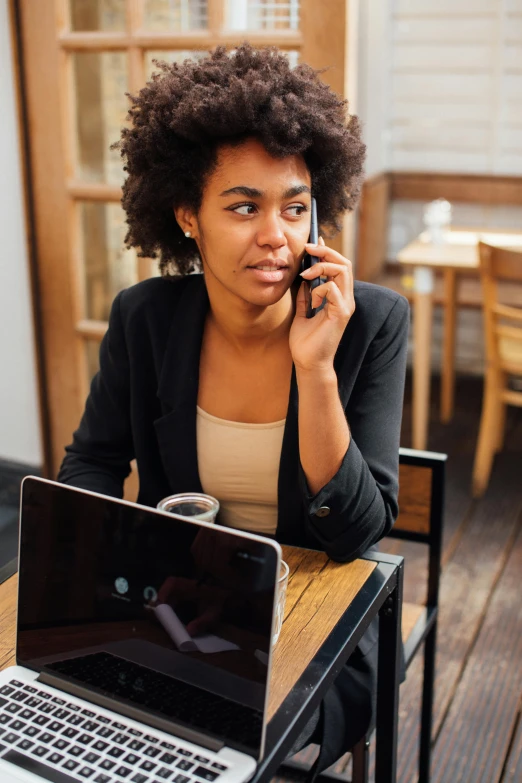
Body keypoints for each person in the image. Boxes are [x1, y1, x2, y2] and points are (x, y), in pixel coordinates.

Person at [58, 43, 409, 774]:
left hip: (319, 619)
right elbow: (91, 461)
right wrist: (102, 564)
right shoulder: (144, 319)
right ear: (187, 215)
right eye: (244, 206)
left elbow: (357, 533)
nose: (275, 237)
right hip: (176, 603)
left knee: (209, 723)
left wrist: (314, 370)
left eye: (295, 208)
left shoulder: (370, 324)